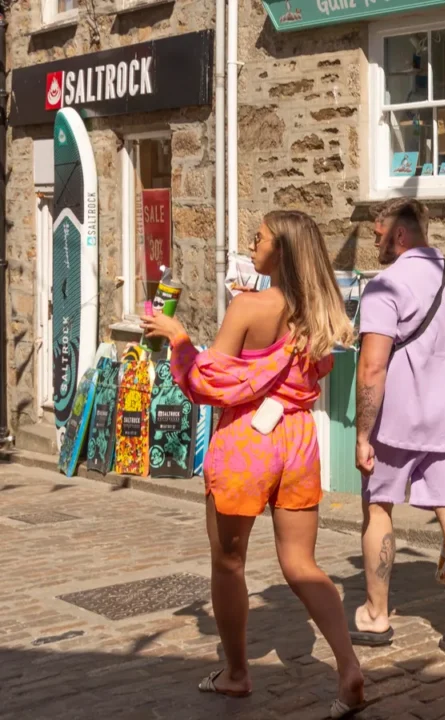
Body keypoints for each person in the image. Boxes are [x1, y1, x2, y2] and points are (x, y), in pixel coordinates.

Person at [142, 211, 365, 718]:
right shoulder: (321, 311)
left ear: (280, 251)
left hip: (247, 441)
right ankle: (348, 665)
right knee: (301, 563)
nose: (251, 242)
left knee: (228, 562)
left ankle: (237, 674)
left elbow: (207, 382)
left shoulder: (248, 306)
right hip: (297, 440)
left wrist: (177, 336)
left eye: (259, 238)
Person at [351, 198, 445, 659]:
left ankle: (376, 613)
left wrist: (362, 434)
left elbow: (372, 368)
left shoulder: (385, 286)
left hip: (397, 422)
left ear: (400, 235)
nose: (374, 241)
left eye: (377, 234)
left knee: (379, 510)